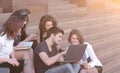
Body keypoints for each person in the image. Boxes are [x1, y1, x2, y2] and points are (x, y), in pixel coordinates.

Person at [10, 9, 35, 73]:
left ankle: (31, 70)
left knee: (30, 50)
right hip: (7, 53)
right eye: (25, 20)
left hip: (14, 50)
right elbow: (10, 48)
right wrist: (28, 39)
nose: (26, 22)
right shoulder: (11, 29)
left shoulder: (21, 28)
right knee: (26, 53)